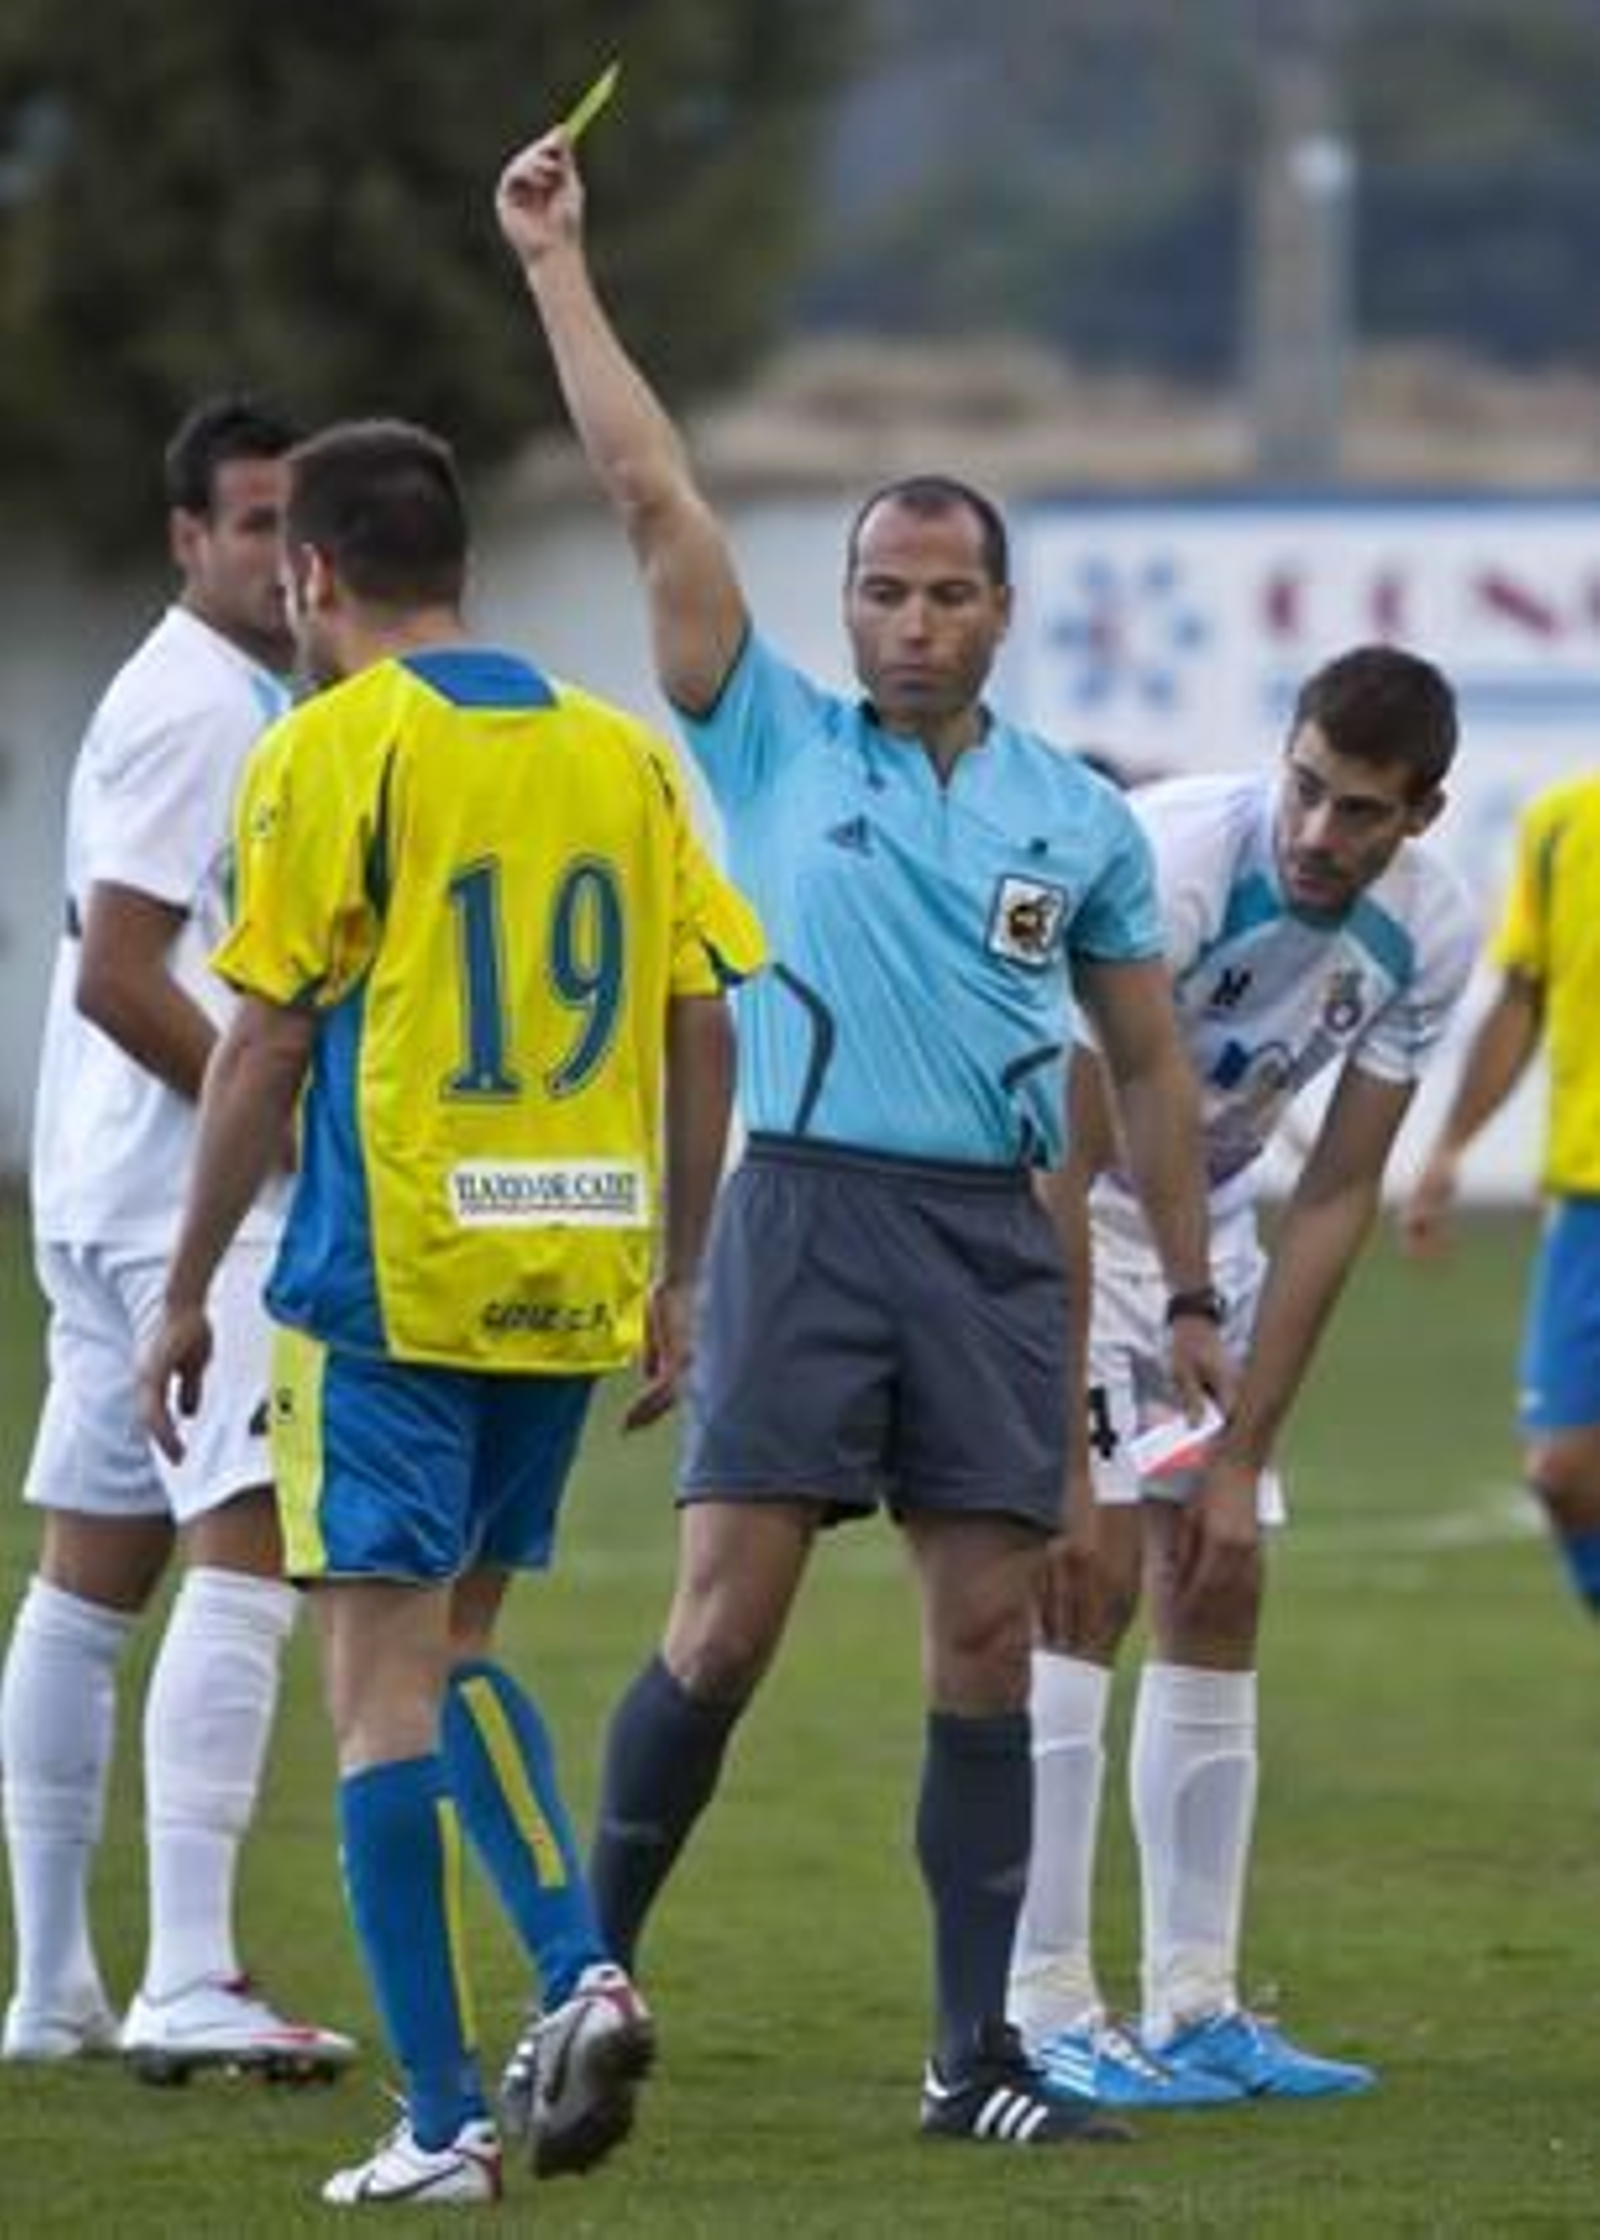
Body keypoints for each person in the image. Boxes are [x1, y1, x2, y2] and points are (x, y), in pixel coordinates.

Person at [496, 127, 1229, 2150]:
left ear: (999, 611)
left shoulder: (1075, 820)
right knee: (721, 1617)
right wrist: (559, 266)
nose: (909, 619)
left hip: (991, 1239)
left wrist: (1174, 1286)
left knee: (986, 1635)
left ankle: (968, 2058)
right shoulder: (764, 733)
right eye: (880, 592)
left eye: (945, 592)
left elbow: (1147, 1070)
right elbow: (650, 484)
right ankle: (576, 1992)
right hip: (803, 1212)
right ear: (844, 609)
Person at [139, 418, 764, 2207]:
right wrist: (685, 1268)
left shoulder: (331, 748)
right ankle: (582, 1968)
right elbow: (703, 1009)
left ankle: (439, 2124)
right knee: (462, 1649)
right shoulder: (619, 754)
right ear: (464, 563)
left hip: (391, 1284)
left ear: (309, 574)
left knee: (373, 1694)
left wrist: (186, 1291)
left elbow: (262, 1034)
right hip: (571, 1268)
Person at [1010, 647, 1474, 2107]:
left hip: (1210, 1229)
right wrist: (1068, 1415)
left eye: (1360, 814)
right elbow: (1073, 1150)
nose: (1319, 836)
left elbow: (1337, 1192)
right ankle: (1044, 2008)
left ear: (1424, 814)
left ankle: (1197, 2004)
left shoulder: (1431, 930)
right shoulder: (1167, 863)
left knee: (1217, 1581)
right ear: (1281, 754)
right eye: (1308, 789)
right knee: (1075, 1583)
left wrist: (1237, 1453)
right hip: (1057, 1210)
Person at [0, 395, 354, 2082]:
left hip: (100, 1192)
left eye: (302, 526)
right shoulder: (200, 709)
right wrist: (268, 1124)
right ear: (186, 541)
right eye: (253, 522)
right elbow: (121, 967)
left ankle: (53, 1983)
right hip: (174, 1210)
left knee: (84, 1588)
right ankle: (191, 1971)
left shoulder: (232, 695)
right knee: (251, 1537)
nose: (285, 557)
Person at [1400, 770, 1600, 1617]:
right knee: (1561, 1474)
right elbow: (1522, 997)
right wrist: (1449, 1147)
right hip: (1588, 1202)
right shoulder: (1562, 826)